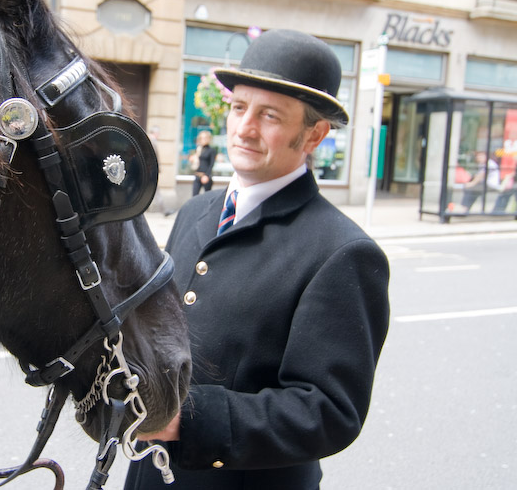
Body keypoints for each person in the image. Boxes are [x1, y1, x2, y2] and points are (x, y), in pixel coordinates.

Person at [124, 29, 390, 490]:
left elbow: (329, 410)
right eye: (239, 107)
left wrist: (185, 420)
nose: (245, 128)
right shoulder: (197, 210)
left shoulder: (344, 252)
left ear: (315, 135)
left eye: (270, 116)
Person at [190, 130, 216, 196]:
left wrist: (207, 175)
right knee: (194, 195)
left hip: (205, 176)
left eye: (205, 138)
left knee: (207, 196)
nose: (203, 140)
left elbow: (211, 164)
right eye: (201, 138)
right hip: (197, 175)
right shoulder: (199, 149)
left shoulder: (211, 150)